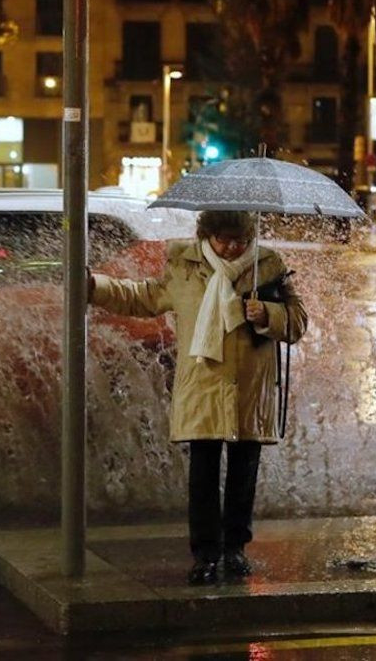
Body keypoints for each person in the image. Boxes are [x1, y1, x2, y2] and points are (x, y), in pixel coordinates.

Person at [88, 210, 308, 585]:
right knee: (203, 474)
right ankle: (205, 554)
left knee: (243, 472)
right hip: (202, 384)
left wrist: (267, 312)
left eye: (239, 241)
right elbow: (144, 297)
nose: (231, 247)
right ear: (207, 235)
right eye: (223, 240)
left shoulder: (269, 264)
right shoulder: (184, 264)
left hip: (249, 387)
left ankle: (236, 549)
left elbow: (297, 321)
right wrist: (95, 285)